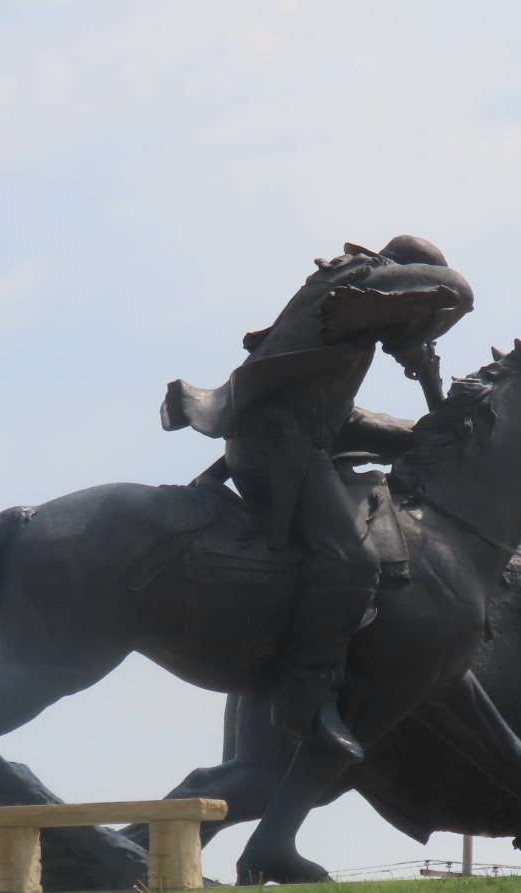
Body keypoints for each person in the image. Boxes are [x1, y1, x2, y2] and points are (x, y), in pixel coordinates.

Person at [162, 236, 474, 760]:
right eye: (418, 309)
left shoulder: (353, 326)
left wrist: (422, 428)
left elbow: (336, 414)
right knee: (352, 561)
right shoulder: (347, 284)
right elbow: (458, 290)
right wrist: (421, 328)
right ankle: (301, 697)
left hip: (301, 435)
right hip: (276, 447)